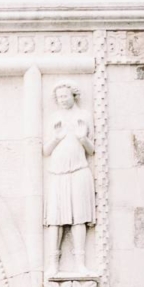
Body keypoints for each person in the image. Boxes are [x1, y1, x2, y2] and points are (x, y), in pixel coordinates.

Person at [44, 80, 95, 276]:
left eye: (65, 96)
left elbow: (92, 150)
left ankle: (80, 263)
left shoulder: (84, 116)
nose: (62, 100)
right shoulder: (55, 118)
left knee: (79, 218)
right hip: (57, 172)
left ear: (73, 95)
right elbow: (45, 150)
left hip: (79, 170)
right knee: (55, 219)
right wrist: (57, 137)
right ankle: (53, 264)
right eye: (59, 98)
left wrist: (83, 137)